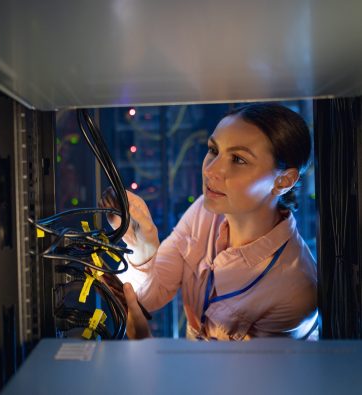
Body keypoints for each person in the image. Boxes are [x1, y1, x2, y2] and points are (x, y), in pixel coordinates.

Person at [100, 103, 317, 340]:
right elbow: (150, 297)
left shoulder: (295, 291)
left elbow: (239, 378)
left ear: (283, 181)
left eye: (238, 159)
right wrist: (142, 248)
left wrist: (144, 346)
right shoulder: (205, 212)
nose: (211, 170)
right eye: (213, 150)